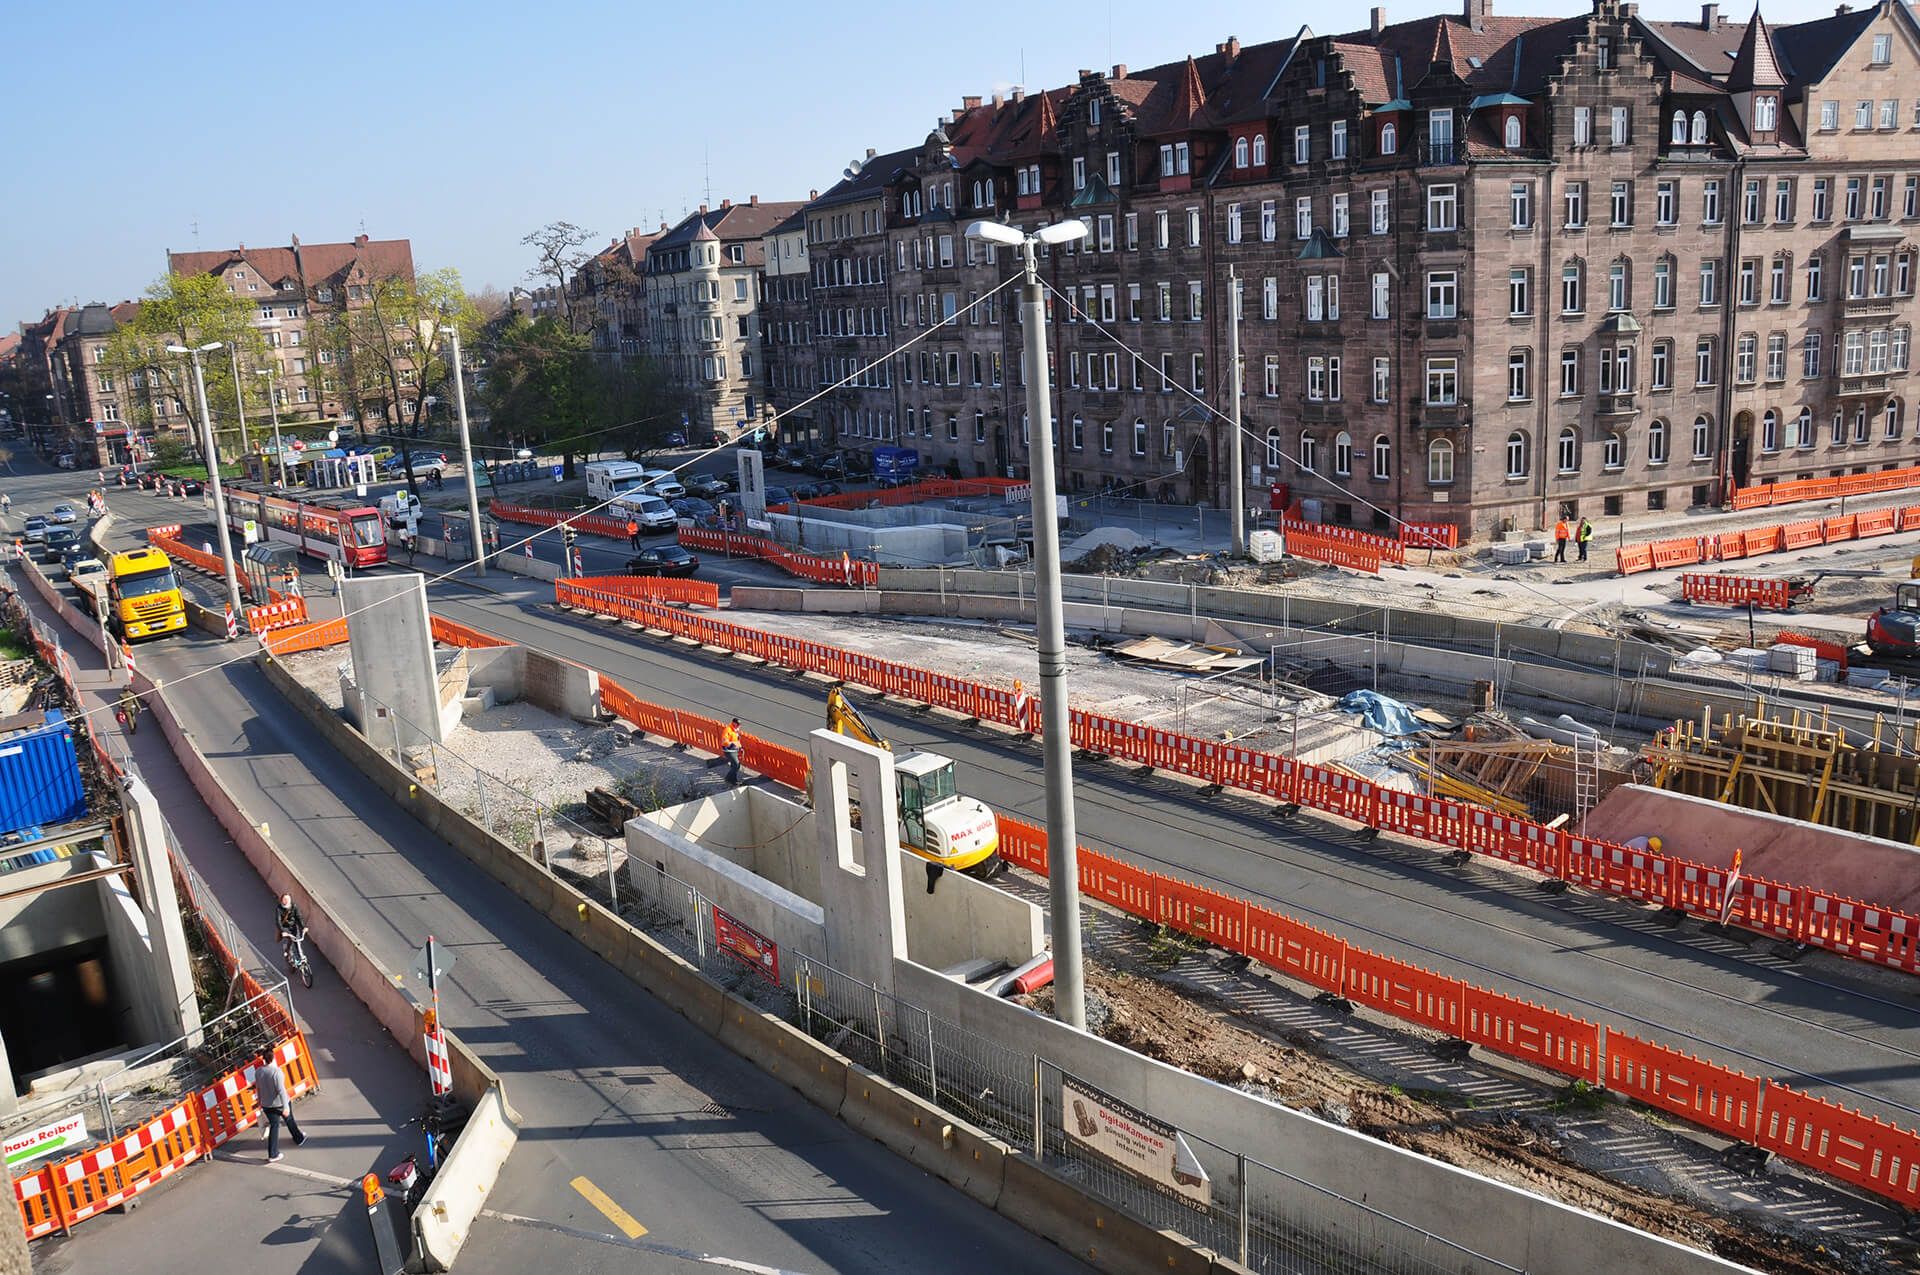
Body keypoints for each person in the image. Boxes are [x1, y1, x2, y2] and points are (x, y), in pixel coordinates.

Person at [253, 1053, 305, 1162]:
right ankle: (298, 1138)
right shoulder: (277, 1072)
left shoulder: (258, 1072)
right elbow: (281, 1091)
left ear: (264, 1060)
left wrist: (259, 1101)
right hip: (280, 1104)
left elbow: (258, 1087)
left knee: (274, 1126)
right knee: (289, 1120)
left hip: (267, 1105)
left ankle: (273, 1154)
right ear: (273, 1058)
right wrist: (286, 1107)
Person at [275, 894, 306, 964]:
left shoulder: (294, 906)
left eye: (288, 899)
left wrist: (303, 927)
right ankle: (287, 950)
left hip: (293, 927)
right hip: (285, 928)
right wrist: (283, 931)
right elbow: (278, 921)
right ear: (281, 900)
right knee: (290, 939)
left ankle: (301, 957)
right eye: (284, 899)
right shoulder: (279, 908)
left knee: (297, 941)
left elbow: (299, 917)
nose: (286, 901)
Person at [721, 718, 743, 787]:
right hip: (729, 751)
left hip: (734, 750)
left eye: (739, 725)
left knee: (735, 765)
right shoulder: (728, 730)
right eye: (738, 724)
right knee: (736, 765)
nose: (739, 726)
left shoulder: (736, 730)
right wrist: (732, 745)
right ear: (733, 723)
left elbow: (737, 740)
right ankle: (728, 778)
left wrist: (740, 747)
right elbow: (724, 741)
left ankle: (733, 780)